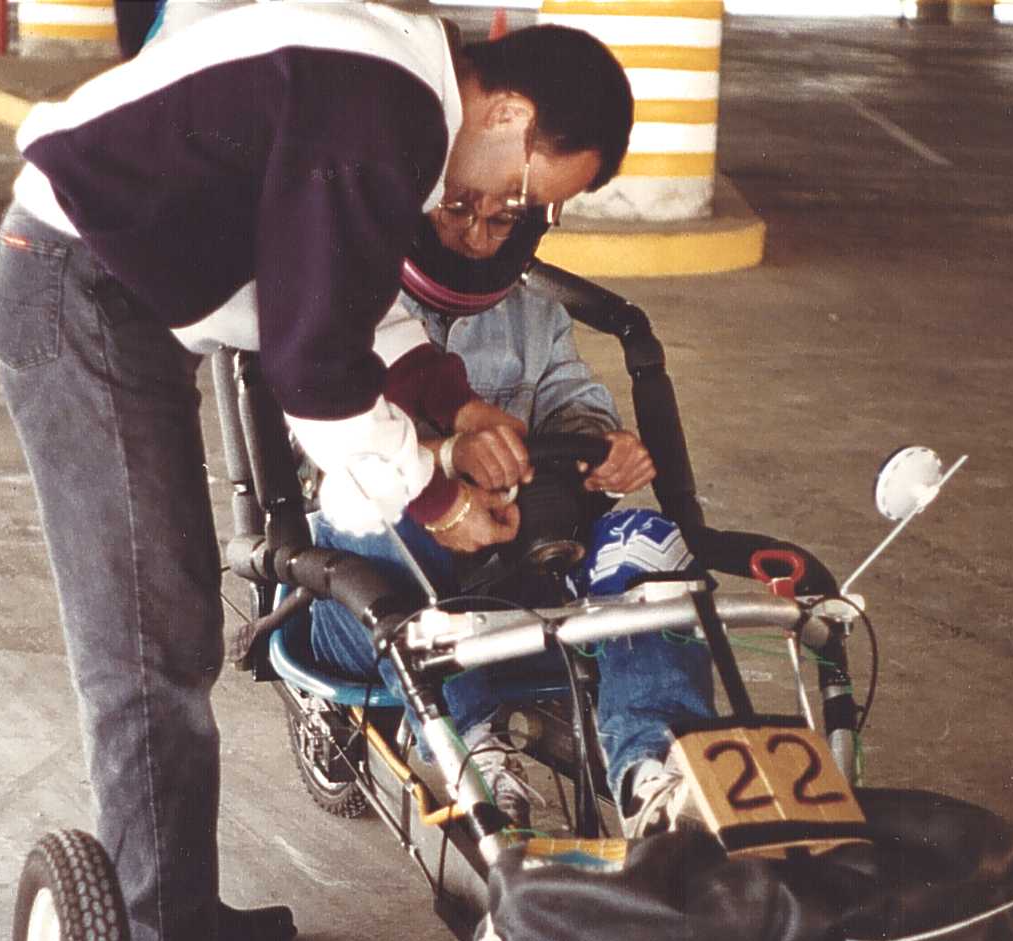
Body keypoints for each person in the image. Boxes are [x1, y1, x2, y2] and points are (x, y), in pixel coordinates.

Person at [0, 2, 632, 941]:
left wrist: (457, 405)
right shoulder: (385, 109)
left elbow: (344, 298)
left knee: (175, 625)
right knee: (147, 643)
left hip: (116, 292)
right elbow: (316, 378)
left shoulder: (392, 97)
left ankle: (172, 905)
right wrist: (435, 497)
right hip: (79, 289)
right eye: (526, 189)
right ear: (509, 114)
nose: (500, 210)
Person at [304, 203, 717, 840]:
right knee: (389, 514)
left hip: (509, 571)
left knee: (649, 543)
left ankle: (653, 770)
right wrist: (445, 466)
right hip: (363, 593)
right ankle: (476, 754)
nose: (476, 238)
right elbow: (326, 461)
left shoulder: (535, 314)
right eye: (457, 213)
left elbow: (572, 401)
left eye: (500, 223)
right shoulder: (341, 301)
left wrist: (603, 448)